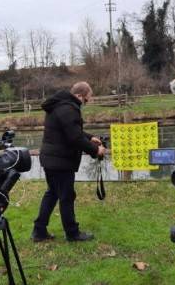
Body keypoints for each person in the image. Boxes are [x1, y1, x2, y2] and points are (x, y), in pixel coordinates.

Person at [32, 81, 106, 242]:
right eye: (86, 100)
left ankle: (39, 231)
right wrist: (95, 150)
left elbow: (71, 130)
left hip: (51, 158)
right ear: (79, 96)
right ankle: (72, 233)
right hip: (60, 161)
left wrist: (89, 137)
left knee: (52, 193)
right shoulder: (69, 109)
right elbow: (74, 137)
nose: (85, 103)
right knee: (66, 196)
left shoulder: (61, 105)